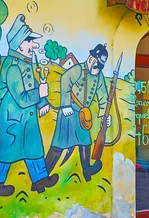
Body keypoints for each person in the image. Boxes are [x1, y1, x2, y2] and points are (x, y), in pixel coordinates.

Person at [0, 14, 58, 197]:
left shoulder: (25, 63)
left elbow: (32, 85)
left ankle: (40, 180)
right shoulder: (13, 67)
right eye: (29, 41)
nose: (34, 46)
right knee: (5, 151)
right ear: (19, 44)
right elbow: (21, 98)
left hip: (26, 117)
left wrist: (42, 101)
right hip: (11, 118)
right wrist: (40, 94)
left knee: (33, 146)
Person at [45, 44, 111, 182]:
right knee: (59, 144)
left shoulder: (98, 76)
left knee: (85, 142)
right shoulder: (78, 70)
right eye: (96, 65)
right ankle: (43, 175)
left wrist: (105, 116)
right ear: (91, 59)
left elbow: (103, 95)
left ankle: (86, 170)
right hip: (69, 112)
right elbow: (65, 80)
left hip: (83, 115)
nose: (97, 69)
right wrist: (65, 104)